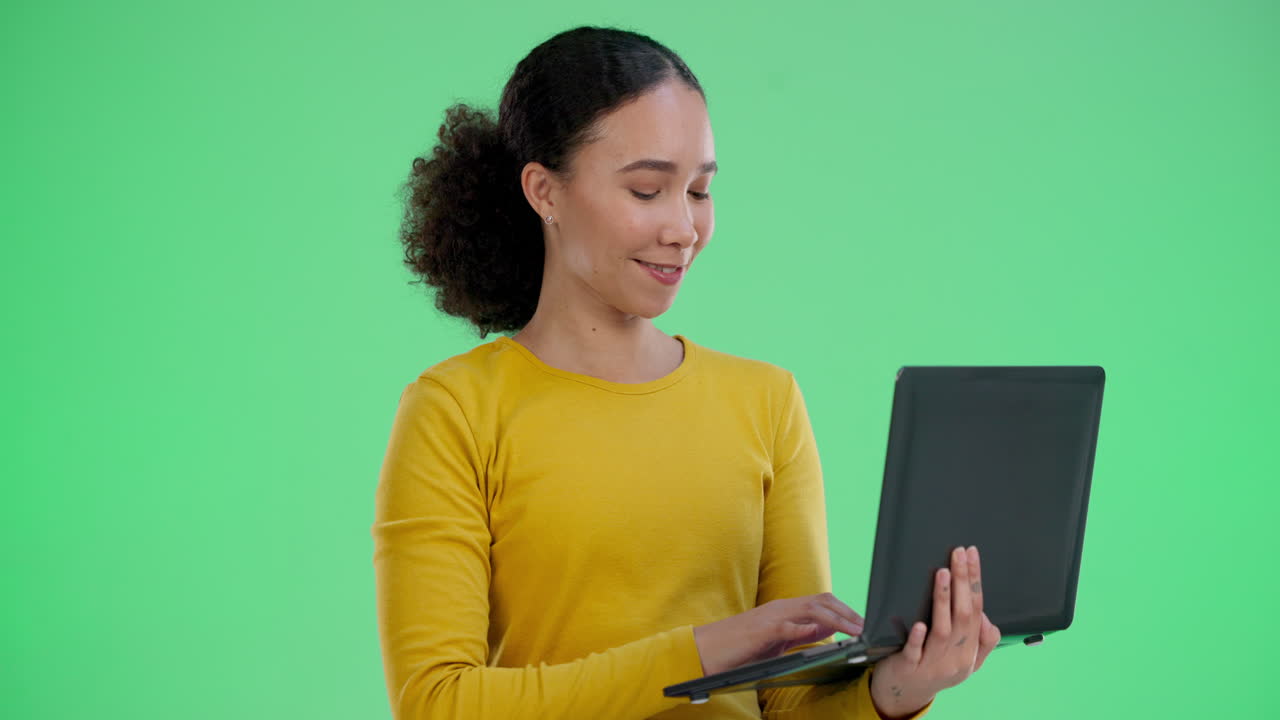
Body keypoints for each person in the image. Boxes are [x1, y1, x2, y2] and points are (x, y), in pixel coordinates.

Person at [372, 25, 1001, 720]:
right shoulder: (455, 410)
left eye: (700, 191)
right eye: (647, 190)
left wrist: (901, 688)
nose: (684, 228)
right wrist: (701, 652)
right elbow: (436, 702)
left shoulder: (767, 402)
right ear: (544, 192)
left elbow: (793, 706)